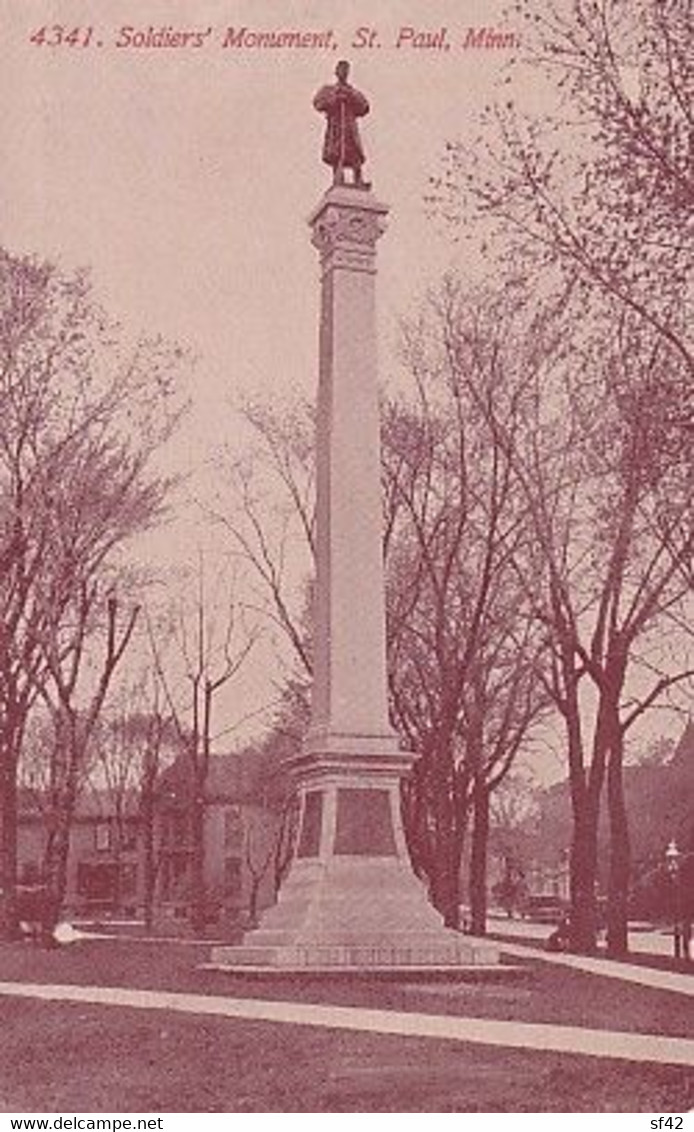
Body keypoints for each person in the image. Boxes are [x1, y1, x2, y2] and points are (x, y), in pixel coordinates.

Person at [314, 61, 370, 187]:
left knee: (355, 153)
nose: (343, 72)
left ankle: (358, 179)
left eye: (346, 70)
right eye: (341, 69)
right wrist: (335, 98)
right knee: (337, 152)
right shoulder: (329, 89)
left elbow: (365, 107)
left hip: (349, 126)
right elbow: (318, 103)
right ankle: (338, 178)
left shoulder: (352, 91)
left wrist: (350, 96)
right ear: (336, 72)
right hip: (336, 126)